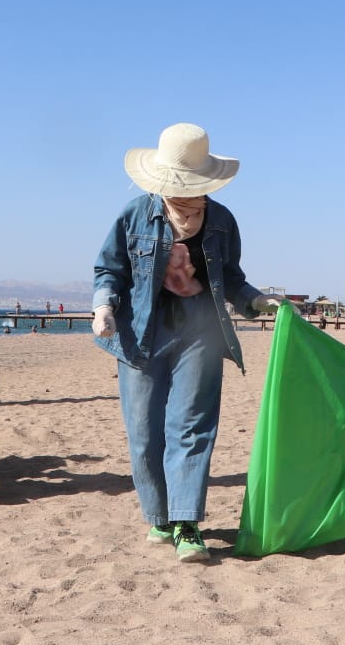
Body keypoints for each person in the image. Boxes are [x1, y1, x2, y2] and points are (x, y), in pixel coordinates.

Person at [92, 123, 278, 563]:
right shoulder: (135, 214)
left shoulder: (222, 221)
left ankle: (186, 522)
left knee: (192, 426)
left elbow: (231, 278)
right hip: (140, 330)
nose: (185, 196)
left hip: (201, 331)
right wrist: (103, 307)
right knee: (143, 431)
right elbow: (108, 270)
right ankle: (158, 516)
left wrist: (256, 300)